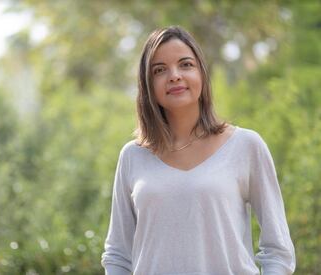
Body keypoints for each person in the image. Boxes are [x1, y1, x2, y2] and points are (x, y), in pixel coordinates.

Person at [100, 26, 295, 275]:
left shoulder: (246, 146)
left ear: (201, 73)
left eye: (186, 65)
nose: (174, 76)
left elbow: (278, 250)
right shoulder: (133, 156)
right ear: (147, 84)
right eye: (159, 70)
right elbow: (118, 255)